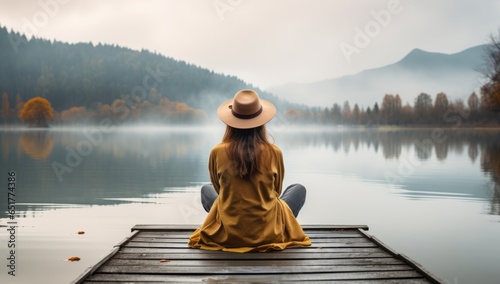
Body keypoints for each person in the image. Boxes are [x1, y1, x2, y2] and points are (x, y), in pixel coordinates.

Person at [188, 89, 311, 253]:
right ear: (261, 122)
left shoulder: (217, 152)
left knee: (207, 190)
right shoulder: (274, 152)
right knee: (298, 189)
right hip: (268, 230)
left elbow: (219, 190)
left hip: (229, 232)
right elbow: (276, 191)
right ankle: (276, 224)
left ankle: (232, 226)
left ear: (230, 122)